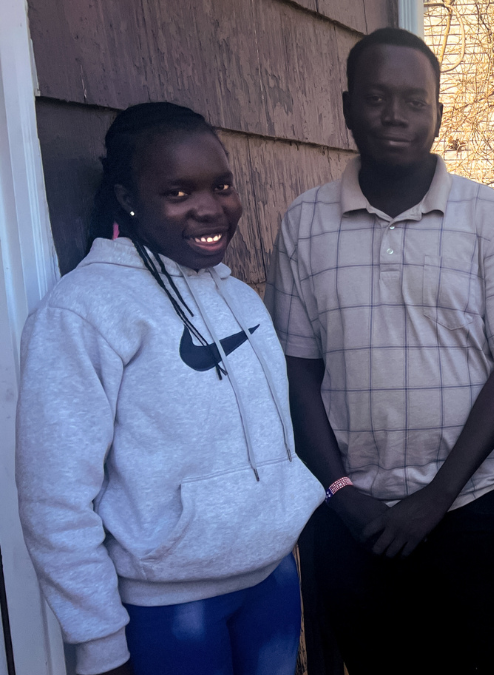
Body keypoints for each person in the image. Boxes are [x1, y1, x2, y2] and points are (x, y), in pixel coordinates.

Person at [265, 28, 494, 673]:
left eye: (415, 102)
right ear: (346, 107)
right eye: (376, 98)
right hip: (351, 513)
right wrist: (341, 492)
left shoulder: (489, 219)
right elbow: (296, 370)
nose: (395, 115)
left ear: (437, 113)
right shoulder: (304, 224)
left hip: (468, 509)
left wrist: (436, 498)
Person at [16, 102, 323, 675]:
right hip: (168, 609)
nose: (210, 207)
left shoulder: (241, 299)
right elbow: (54, 499)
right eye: (178, 193)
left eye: (221, 186)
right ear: (127, 197)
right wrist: (100, 642)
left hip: (272, 582)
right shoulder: (83, 311)